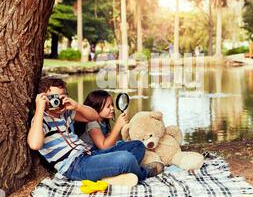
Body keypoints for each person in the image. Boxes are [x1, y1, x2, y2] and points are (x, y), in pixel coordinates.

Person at [27, 77, 163, 187]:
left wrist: (77, 106)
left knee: (137, 145)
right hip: (74, 166)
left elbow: (93, 116)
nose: (58, 101)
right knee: (126, 159)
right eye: (54, 97)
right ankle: (143, 173)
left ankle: (109, 177)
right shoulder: (40, 120)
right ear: (44, 98)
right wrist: (40, 109)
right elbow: (34, 144)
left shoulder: (66, 113)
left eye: (62, 96)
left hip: (89, 154)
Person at [75, 89, 164, 174]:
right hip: (91, 157)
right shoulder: (92, 123)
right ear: (95, 108)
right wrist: (117, 126)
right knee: (134, 147)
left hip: (100, 154)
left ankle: (125, 169)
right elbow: (103, 146)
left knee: (135, 144)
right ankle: (135, 170)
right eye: (108, 106)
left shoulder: (102, 122)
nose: (112, 108)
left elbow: (113, 142)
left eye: (112, 105)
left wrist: (121, 128)